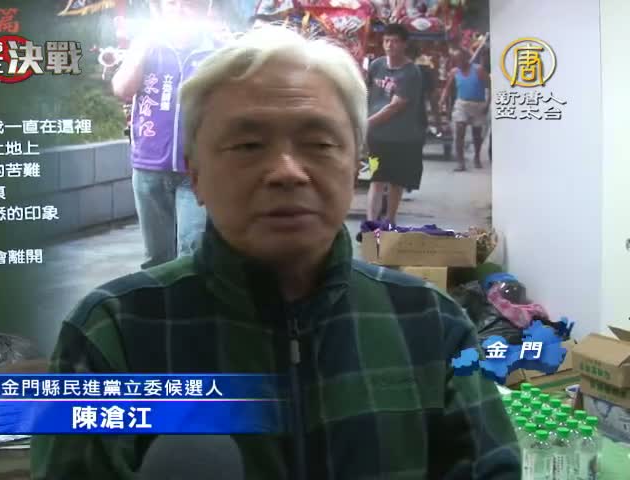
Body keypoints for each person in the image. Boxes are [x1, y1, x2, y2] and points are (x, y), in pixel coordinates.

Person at [31, 25, 520, 480]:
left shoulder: (431, 323)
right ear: (194, 173)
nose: (287, 171)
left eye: (319, 143)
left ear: (356, 165)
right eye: (248, 145)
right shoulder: (113, 334)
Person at [112, 0, 218, 268]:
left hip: (197, 171)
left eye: (188, 4)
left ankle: (189, 297)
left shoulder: (217, 49)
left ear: (203, 8)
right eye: (171, 3)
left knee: (192, 254)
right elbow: (123, 89)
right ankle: (161, 297)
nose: (179, 9)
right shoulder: (147, 45)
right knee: (157, 258)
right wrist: (142, 46)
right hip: (148, 167)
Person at [366, 24, 425, 224]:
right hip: (377, 138)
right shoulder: (376, 65)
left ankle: (390, 220)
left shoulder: (411, 72)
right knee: (376, 179)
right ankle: (371, 223)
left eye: (395, 41)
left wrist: (366, 123)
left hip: (402, 139)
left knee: (396, 182)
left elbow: (395, 106)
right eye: (387, 41)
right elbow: (366, 93)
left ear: (404, 44)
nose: (390, 45)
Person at [439, 47, 490, 171]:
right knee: (459, 130)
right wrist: (442, 100)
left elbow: (491, 87)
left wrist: (487, 105)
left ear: (467, 59)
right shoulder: (454, 72)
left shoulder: (478, 70)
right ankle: (460, 162)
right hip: (462, 104)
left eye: (461, 59)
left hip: (478, 104)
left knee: (477, 134)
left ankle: (477, 157)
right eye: (456, 60)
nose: (459, 63)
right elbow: (447, 88)